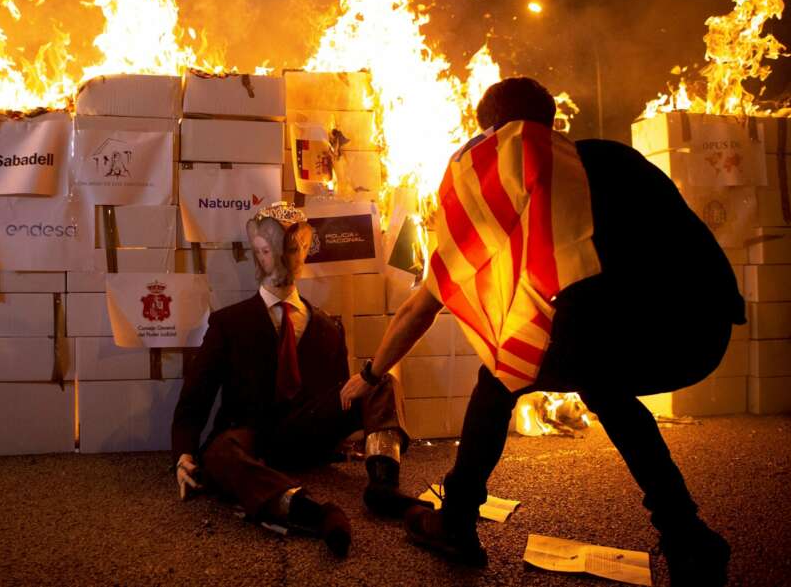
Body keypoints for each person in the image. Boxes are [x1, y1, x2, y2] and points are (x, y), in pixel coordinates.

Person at [340, 77, 745, 585]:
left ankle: (457, 522)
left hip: (649, 334)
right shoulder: (612, 157)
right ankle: (687, 536)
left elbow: (422, 306)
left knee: (502, 370)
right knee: (601, 376)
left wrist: (372, 372)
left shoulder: (519, 184)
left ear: (495, 135)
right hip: (704, 332)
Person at [172, 202, 430, 557]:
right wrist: (183, 454)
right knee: (217, 453)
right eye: (266, 251)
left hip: (306, 433)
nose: (278, 260)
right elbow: (195, 397)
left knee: (378, 379)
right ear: (256, 254)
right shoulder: (228, 323)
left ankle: (383, 485)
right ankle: (309, 512)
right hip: (249, 435)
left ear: (305, 252)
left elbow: (338, 395)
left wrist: (359, 430)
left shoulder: (327, 327)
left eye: (290, 249)